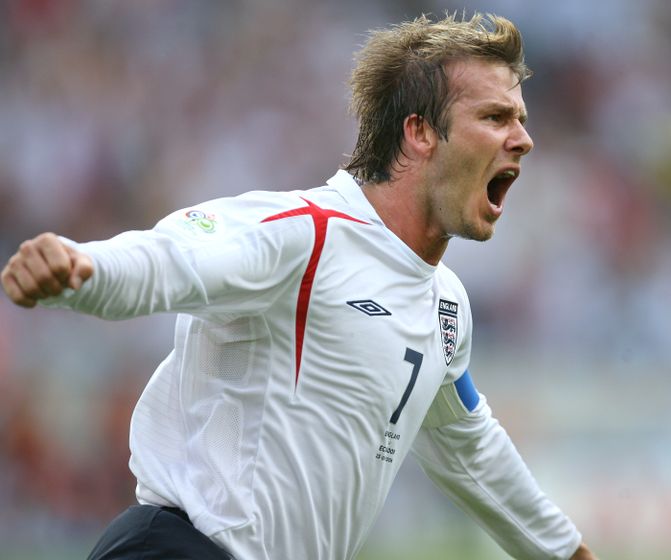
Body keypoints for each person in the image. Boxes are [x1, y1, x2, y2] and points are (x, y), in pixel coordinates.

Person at [1, 13, 597, 560]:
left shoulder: (446, 305)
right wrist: (80, 270)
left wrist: (568, 553)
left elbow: (471, 450)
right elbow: (175, 257)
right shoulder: (309, 234)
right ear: (419, 133)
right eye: (495, 117)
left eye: (520, 118)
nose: (523, 138)